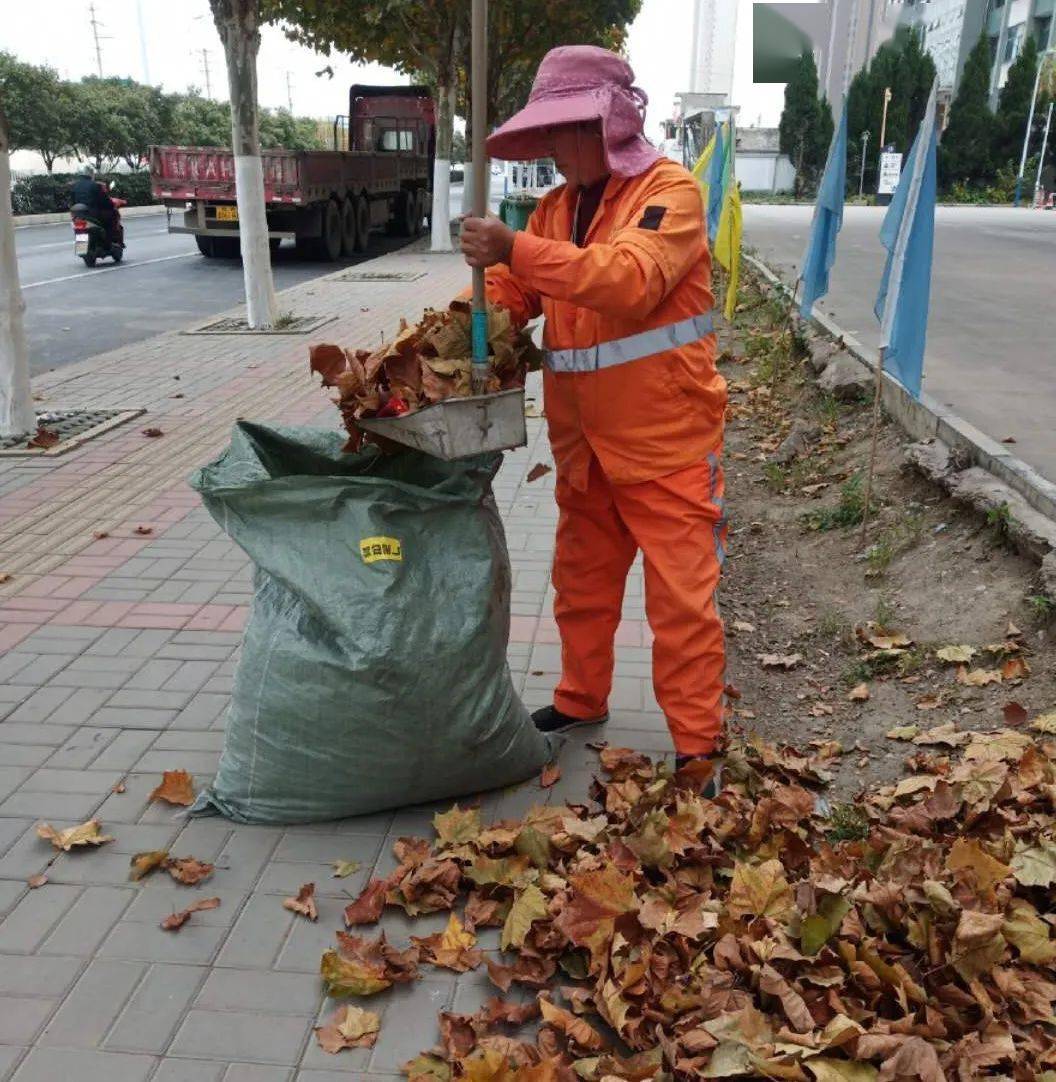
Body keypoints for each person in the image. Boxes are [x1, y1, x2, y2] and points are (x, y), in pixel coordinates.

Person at [460, 46, 728, 780]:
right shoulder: (552, 209)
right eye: (546, 129)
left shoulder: (668, 194)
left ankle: (699, 744)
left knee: (680, 602)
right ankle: (581, 698)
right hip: (585, 446)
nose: (552, 144)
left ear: (608, 124)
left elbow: (629, 281)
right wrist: (460, 322)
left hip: (666, 441)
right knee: (582, 583)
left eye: (565, 126)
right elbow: (516, 296)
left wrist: (514, 247)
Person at [70, 163, 118, 244]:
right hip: (92, 214)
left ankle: (83, 244)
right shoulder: (94, 185)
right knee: (112, 216)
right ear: (90, 174)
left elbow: (72, 201)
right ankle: (108, 242)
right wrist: (111, 205)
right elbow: (104, 200)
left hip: (78, 216)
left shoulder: (75, 186)